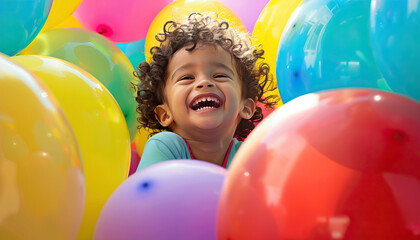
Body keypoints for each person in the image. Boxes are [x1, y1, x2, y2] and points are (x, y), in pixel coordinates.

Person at [134, 13, 278, 172]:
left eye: (220, 75)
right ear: (165, 114)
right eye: (187, 77)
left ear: (245, 107)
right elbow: (148, 194)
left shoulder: (251, 157)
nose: (204, 82)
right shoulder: (165, 147)